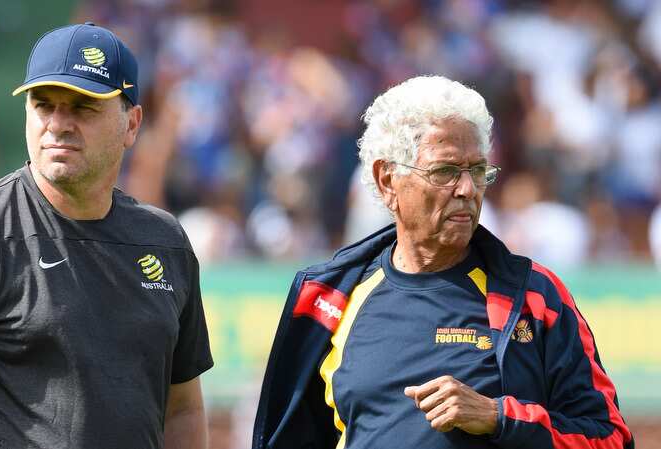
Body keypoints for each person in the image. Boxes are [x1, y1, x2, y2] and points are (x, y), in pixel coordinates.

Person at [0, 22, 213, 449]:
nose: (58, 124)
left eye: (83, 106)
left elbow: (183, 407)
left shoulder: (165, 243)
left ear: (132, 124)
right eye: (43, 105)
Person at [252, 76, 633, 449]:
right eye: (445, 172)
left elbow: (611, 438)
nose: (467, 189)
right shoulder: (330, 299)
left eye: (478, 171)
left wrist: (499, 418)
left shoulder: (536, 297)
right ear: (387, 180)